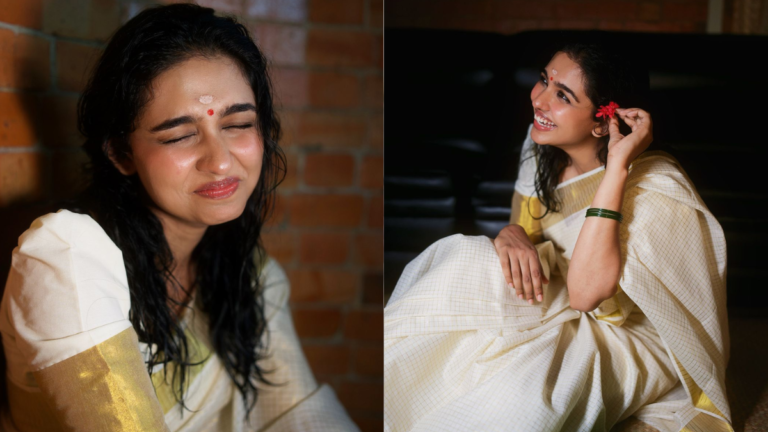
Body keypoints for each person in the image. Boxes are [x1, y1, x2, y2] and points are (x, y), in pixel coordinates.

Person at [0, 4, 359, 431]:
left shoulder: (252, 277)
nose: (220, 161)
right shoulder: (67, 258)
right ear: (121, 153)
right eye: (180, 135)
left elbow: (298, 413)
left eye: (238, 124)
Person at [383, 42, 732, 432]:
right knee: (466, 258)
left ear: (603, 122)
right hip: (556, 290)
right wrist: (511, 233)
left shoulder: (656, 189)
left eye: (562, 95)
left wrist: (616, 168)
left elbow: (586, 296)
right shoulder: (541, 146)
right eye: (543, 81)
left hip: (625, 331)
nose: (539, 100)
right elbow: (526, 240)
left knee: (519, 391)